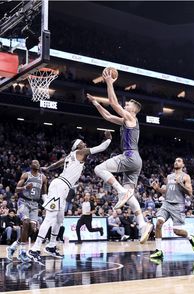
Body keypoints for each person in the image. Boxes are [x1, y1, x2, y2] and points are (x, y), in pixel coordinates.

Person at [87, 68, 152, 244]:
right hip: (135, 161)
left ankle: (121, 191)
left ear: (134, 110)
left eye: (129, 104)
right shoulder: (126, 120)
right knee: (130, 196)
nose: (126, 105)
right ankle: (142, 224)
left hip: (130, 156)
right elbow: (108, 116)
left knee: (98, 168)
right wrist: (95, 103)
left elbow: (114, 104)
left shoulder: (131, 118)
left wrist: (109, 82)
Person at [27, 132, 112, 263]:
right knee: (50, 218)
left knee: (60, 219)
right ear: (78, 146)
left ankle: (51, 246)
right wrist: (108, 139)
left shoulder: (70, 156)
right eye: (82, 143)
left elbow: (59, 163)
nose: (84, 144)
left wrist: (48, 167)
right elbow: (101, 148)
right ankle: (34, 249)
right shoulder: (81, 152)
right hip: (59, 186)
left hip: (63, 187)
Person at [150, 157, 194, 261]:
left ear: (183, 165)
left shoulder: (186, 177)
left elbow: (190, 193)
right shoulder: (169, 176)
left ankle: (190, 238)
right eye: (175, 160)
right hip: (167, 203)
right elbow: (167, 191)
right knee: (158, 223)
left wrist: (180, 184)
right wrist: (158, 189)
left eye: (179, 161)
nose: (176, 162)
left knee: (177, 231)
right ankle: (158, 251)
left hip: (178, 205)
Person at [6, 160, 47, 262]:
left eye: (38, 163)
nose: (37, 164)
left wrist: (47, 205)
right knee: (26, 222)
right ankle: (22, 252)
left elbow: (44, 194)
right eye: (34, 163)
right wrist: (25, 187)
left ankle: (13, 247)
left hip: (35, 204)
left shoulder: (43, 178)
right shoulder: (26, 175)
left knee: (32, 229)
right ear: (31, 165)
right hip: (23, 202)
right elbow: (16, 190)